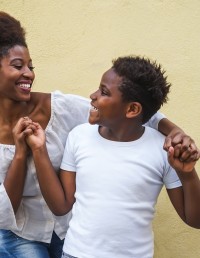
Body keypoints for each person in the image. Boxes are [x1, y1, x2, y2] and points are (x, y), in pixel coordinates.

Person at [0, 11, 198, 258]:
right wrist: (27, 152)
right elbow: (17, 209)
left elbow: (143, 114)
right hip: (29, 235)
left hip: (72, 234)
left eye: (30, 66)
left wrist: (180, 141)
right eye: (18, 66)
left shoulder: (65, 110)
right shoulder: (81, 137)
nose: (29, 74)